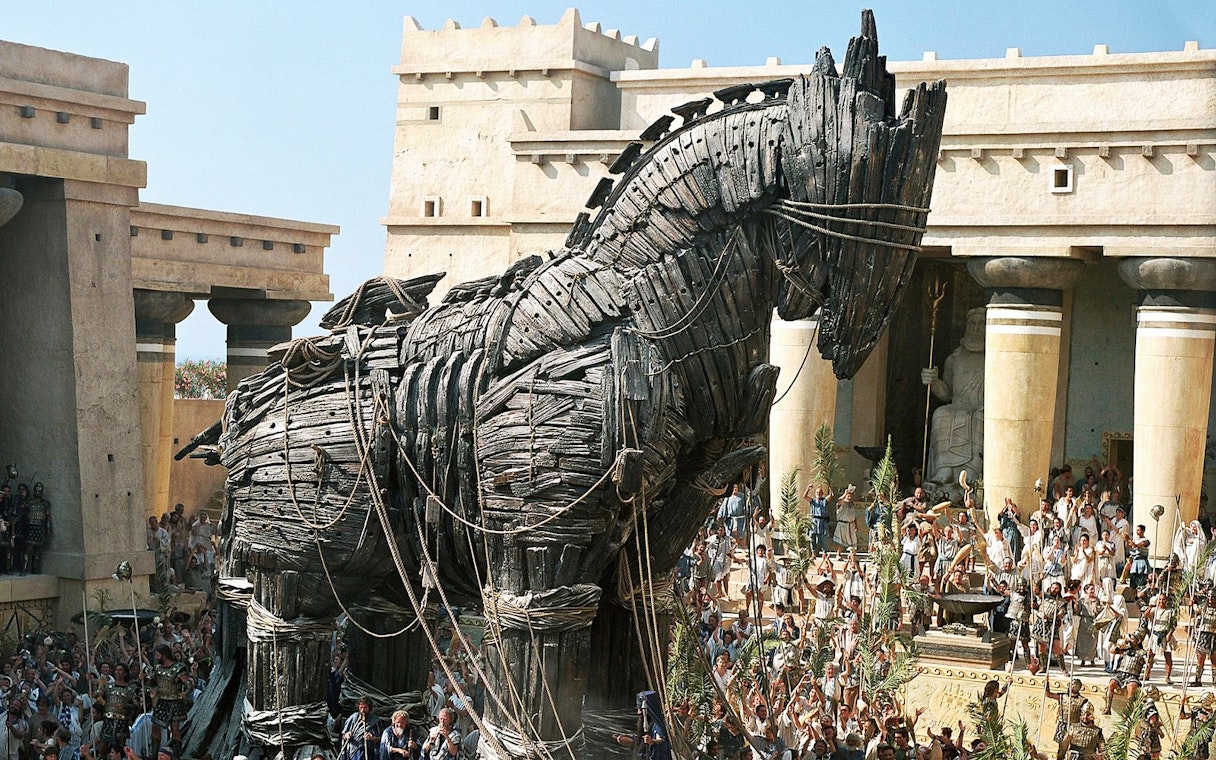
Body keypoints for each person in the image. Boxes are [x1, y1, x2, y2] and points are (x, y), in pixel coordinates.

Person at [920, 307, 985, 486]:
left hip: (979, 408)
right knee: (940, 414)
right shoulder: (954, 359)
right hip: (957, 405)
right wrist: (933, 382)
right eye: (972, 324)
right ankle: (944, 467)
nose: (976, 328)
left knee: (979, 418)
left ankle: (973, 467)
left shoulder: (994, 358)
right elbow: (947, 393)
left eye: (981, 324)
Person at [148, 645, 189, 753]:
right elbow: (152, 681)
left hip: (175, 700)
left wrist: (186, 692)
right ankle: (154, 754)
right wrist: (144, 678)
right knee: (155, 727)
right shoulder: (157, 668)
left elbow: (188, 683)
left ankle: (176, 755)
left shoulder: (178, 667)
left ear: (164, 655)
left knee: (175, 728)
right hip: (162, 700)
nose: (156, 658)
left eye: (158, 655)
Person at [614, 691, 670, 760]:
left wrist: (652, 741)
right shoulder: (644, 726)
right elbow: (640, 741)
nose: (638, 713)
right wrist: (631, 740)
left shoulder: (657, 725)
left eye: (640, 710)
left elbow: (661, 741)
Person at [1104, 630, 1147, 715]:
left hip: (1132, 676)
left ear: (1138, 641)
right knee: (1111, 684)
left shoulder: (1142, 653)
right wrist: (1122, 643)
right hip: (1120, 673)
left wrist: (1148, 661)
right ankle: (1108, 707)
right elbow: (1112, 651)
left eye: (1133, 639)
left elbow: (1148, 663)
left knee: (1131, 688)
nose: (1131, 640)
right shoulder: (1125, 649)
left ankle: (1128, 711)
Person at [1045, 678, 1089, 747]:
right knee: (1061, 746)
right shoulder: (1062, 696)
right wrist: (1046, 684)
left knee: (1073, 746)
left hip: (1075, 725)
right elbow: (1049, 695)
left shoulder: (1082, 700)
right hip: (1063, 723)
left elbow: (1086, 715)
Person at [1179, 692, 1216, 760]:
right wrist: (1181, 705)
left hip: (1202, 745)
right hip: (1190, 741)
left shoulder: (1213, 717)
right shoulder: (1196, 710)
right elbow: (1182, 716)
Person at [1192, 587, 1216, 687]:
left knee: (1214, 659)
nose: (1211, 599)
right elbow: (1195, 607)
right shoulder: (1203, 607)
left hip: (1214, 635)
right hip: (1203, 634)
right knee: (1200, 658)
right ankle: (1197, 679)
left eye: (1213, 597)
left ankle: (1215, 681)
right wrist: (1192, 603)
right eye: (1209, 597)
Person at [804, 486, 832, 555]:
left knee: (823, 537)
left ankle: (824, 553)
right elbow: (805, 496)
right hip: (814, 520)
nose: (818, 493)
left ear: (822, 493)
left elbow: (831, 495)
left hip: (822, 521)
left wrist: (830, 488)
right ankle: (813, 553)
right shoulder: (813, 501)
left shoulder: (824, 501)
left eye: (820, 492)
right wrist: (808, 489)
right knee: (812, 537)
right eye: (817, 492)